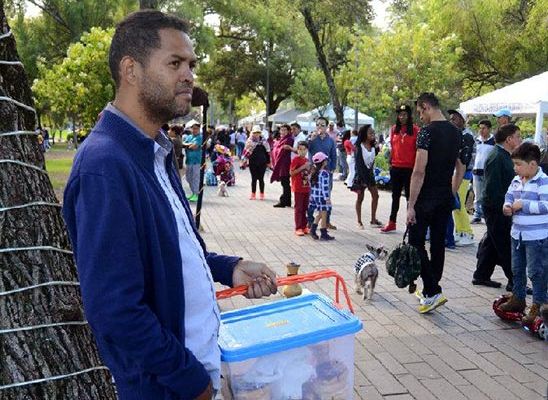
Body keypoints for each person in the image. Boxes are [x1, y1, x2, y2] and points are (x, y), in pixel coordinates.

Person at [61, 11, 277, 400]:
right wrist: (190, 381)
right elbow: (115, 310)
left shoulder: (155, 150)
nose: (189, 76)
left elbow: (168, 253)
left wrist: (229, 269)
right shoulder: (105, 165)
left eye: (191, 64)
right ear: (131, 70)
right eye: (174, 63)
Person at [407, 92, 465, 314]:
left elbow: (419, 171)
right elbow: (460, 167)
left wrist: (411, 204)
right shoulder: (456, 132)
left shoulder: (426, 133)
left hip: (425, 197)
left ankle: (432, 290)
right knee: (438, 243)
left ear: (426, 107)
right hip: (444, 197)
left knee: (416, 242)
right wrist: (451, 190)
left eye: (421, 112)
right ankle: (432, 290)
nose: (420, 117)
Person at [499, 142, 548, 324]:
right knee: (517, 269)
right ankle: (518, 298)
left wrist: (524, 205)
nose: (515, 168)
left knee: (537, 271)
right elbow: (509, 196)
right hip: (517, 234)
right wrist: (507, 206)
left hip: (537, 237)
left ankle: (540, 304)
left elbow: (546, 205)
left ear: (533, 165)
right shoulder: (517, 180)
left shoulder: (543, 181)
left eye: (518, 164)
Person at [472, 124, 521, 290]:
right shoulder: (497, 156)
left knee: (492, 243)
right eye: (517, 136)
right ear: (509, 139)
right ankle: (515, 281)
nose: (519, 140)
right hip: (496, 207)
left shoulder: (504, 155)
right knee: (505, 243)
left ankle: (481, 275)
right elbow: (492, 188)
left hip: (499, 206)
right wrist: (505, 207)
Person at [381, 104, 419, 233]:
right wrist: (390, 163)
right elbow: (392, 148)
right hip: (396, 167)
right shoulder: (394, 130)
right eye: (400, 114)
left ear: (409, 116)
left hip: (410, 168)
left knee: (410, 197)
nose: (402, 117)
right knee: (395, 197)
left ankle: (410, 224)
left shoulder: (415, 130)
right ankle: (392, 222)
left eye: (404, 114)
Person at [447, 109, 475, 246]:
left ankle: (467, 233)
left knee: (459, 204)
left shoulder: (467, 136)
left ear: (462, 121)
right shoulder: (455, 134)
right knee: (456, 204)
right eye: (451, 118)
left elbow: (465, 160)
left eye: (455, 118)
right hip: (455, 173)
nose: (452, 121)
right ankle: (460, 230)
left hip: (464, 175)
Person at [308, 117, 338, 229]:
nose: (320, 127)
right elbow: (306, 149)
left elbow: (334, 155)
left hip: (326, 172)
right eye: (318, 125)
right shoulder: (312, 139)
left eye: (323, 125)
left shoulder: (330, 140)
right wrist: (311, 139)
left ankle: (327, 221)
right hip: (314, 172)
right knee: (312, 197)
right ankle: (310, 221)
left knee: (327, 196)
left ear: (327, 127)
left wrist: (332, 168)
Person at [351, 125, 382, 229]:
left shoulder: (374, 146)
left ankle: (373, 220)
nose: (373, 135)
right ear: (364, 134)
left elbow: (373, 159)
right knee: (360, 198)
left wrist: (377, 148)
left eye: (373, 133)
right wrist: (364, 180)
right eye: (370, 133)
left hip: (370, 174)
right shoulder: (359, 147)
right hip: (361, 175)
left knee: (376, 195)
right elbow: (359, 164)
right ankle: (359, 221)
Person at [470, 119, 495, 224]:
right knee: (477, 194)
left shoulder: (493, 141)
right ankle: (477, 214)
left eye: (484, 128)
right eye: (480, 128)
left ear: (489, 129)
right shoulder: (476, 140)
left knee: (488, 194)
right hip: (476, 170)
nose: (481, 130)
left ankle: (487, 214)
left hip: (488, 171)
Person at [309, 152, 334, 241]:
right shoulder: (324, 174)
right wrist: (327, 198)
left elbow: (311, 186)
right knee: (324, 215)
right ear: (323, 162)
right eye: (325, 160)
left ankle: (313, 230)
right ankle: (323, 233)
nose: (326, 161)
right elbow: (325, 187)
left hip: (315, 197)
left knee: (320, 214)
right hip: (322, 198)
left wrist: (311, 197)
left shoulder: (314, 172)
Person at [242, 125, 271, 200]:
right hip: (253, 162)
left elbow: (267, 152)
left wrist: (268, 162)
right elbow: (245, 152)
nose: (256, 134)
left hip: (262, 163)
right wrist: (244, 161)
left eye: (258, 132)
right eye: (255, 132)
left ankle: (262, 194)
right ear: (252, 133)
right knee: (253, 178)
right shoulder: (249, 141)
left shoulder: (264, 141)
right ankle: (253, 194)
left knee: (261, 179)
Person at [290, 141, 311, 236]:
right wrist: (303, 167)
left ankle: (304, 226)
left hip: (306, 187)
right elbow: (292, 173)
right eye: (300, 149)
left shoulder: (307, 160)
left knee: (305, 207)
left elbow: (309, 172)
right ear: (297, 150)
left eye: (304, 149)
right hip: (298, 187)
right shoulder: (295, 160)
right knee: (298, 208)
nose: (302, 151)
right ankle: (298, 227)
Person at [270, 123, 294, 208]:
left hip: (285, 163)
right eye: (281, 130)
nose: (283, 131)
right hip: (281, 164)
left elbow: (281, 149)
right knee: (285, 183)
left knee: (285, 182)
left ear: (288, 131)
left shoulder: (289, 139)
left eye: (285, 130)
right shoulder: (281, 139)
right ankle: (286, 201)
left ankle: (284, 201)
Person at [182, 119, 202, 202]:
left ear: (199, 129)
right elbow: (182, 144)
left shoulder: (200, 137)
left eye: (196, 128)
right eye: (193, 128)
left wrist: (188, 145)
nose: (194, 130)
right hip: (188, 160)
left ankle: (196, 194)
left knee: (195, 178)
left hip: (197, 161)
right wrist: (188, 145)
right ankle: (193, 192)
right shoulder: (189, 137)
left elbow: (194, 147)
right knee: (188, 178)